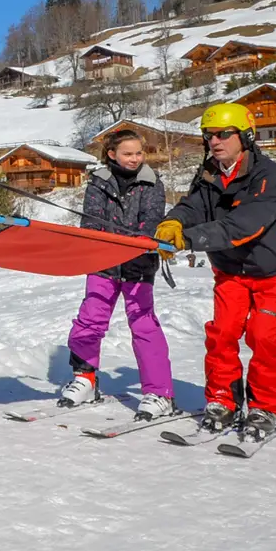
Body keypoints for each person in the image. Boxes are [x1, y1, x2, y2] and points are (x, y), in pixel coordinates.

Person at [154, 102, 276, 444]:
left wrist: (190, 239)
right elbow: (194, 205)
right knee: (223, 333)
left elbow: (243, 225)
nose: (215, 141)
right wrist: (174, 222)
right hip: (231, 270)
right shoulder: (210, 174)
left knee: (263, 334)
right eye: (209, 135)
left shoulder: (269, 176)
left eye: (224, 134)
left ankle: (266, 407)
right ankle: (222, 401)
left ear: (245, 136)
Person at [53, 130, 175, 420]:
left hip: (138, 263)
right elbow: (91, 219)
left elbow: (152, 219)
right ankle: (86, 379)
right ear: (112, 155)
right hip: (103, 263)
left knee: (143, 324)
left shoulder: (152, 182)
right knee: (89, 319)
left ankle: (159, 392)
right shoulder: (99, 182)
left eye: (138, 153)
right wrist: (97, 244)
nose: (135, 159)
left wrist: (136, 244)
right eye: (128, 153)